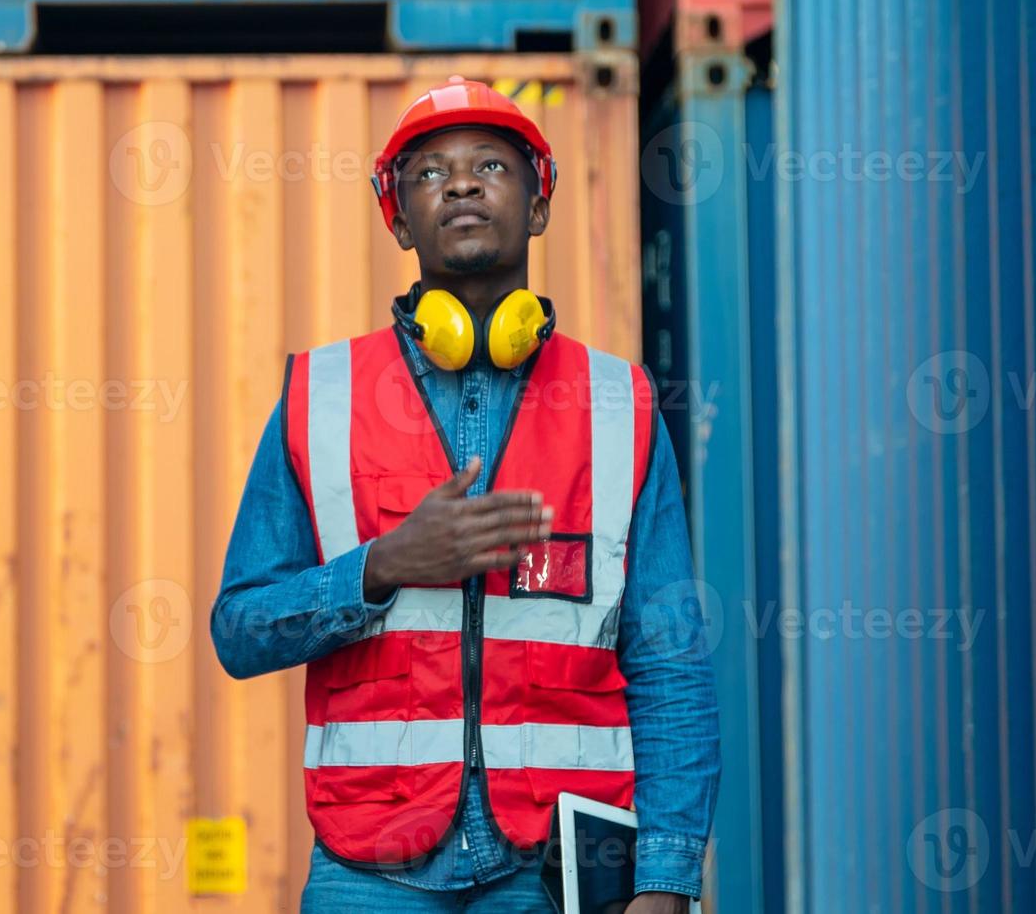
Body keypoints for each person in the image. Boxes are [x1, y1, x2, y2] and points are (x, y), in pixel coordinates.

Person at [211, 75, 720, 913]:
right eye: (429, 172)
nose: (460, 182)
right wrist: (383, 566)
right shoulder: (322, 395)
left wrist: (665, 879)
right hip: (367, 869)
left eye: (491, 163)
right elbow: (239, 628)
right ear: (399, 218)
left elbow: (668, 660)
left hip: (559, 872)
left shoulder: (618, 405)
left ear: (538, 205)